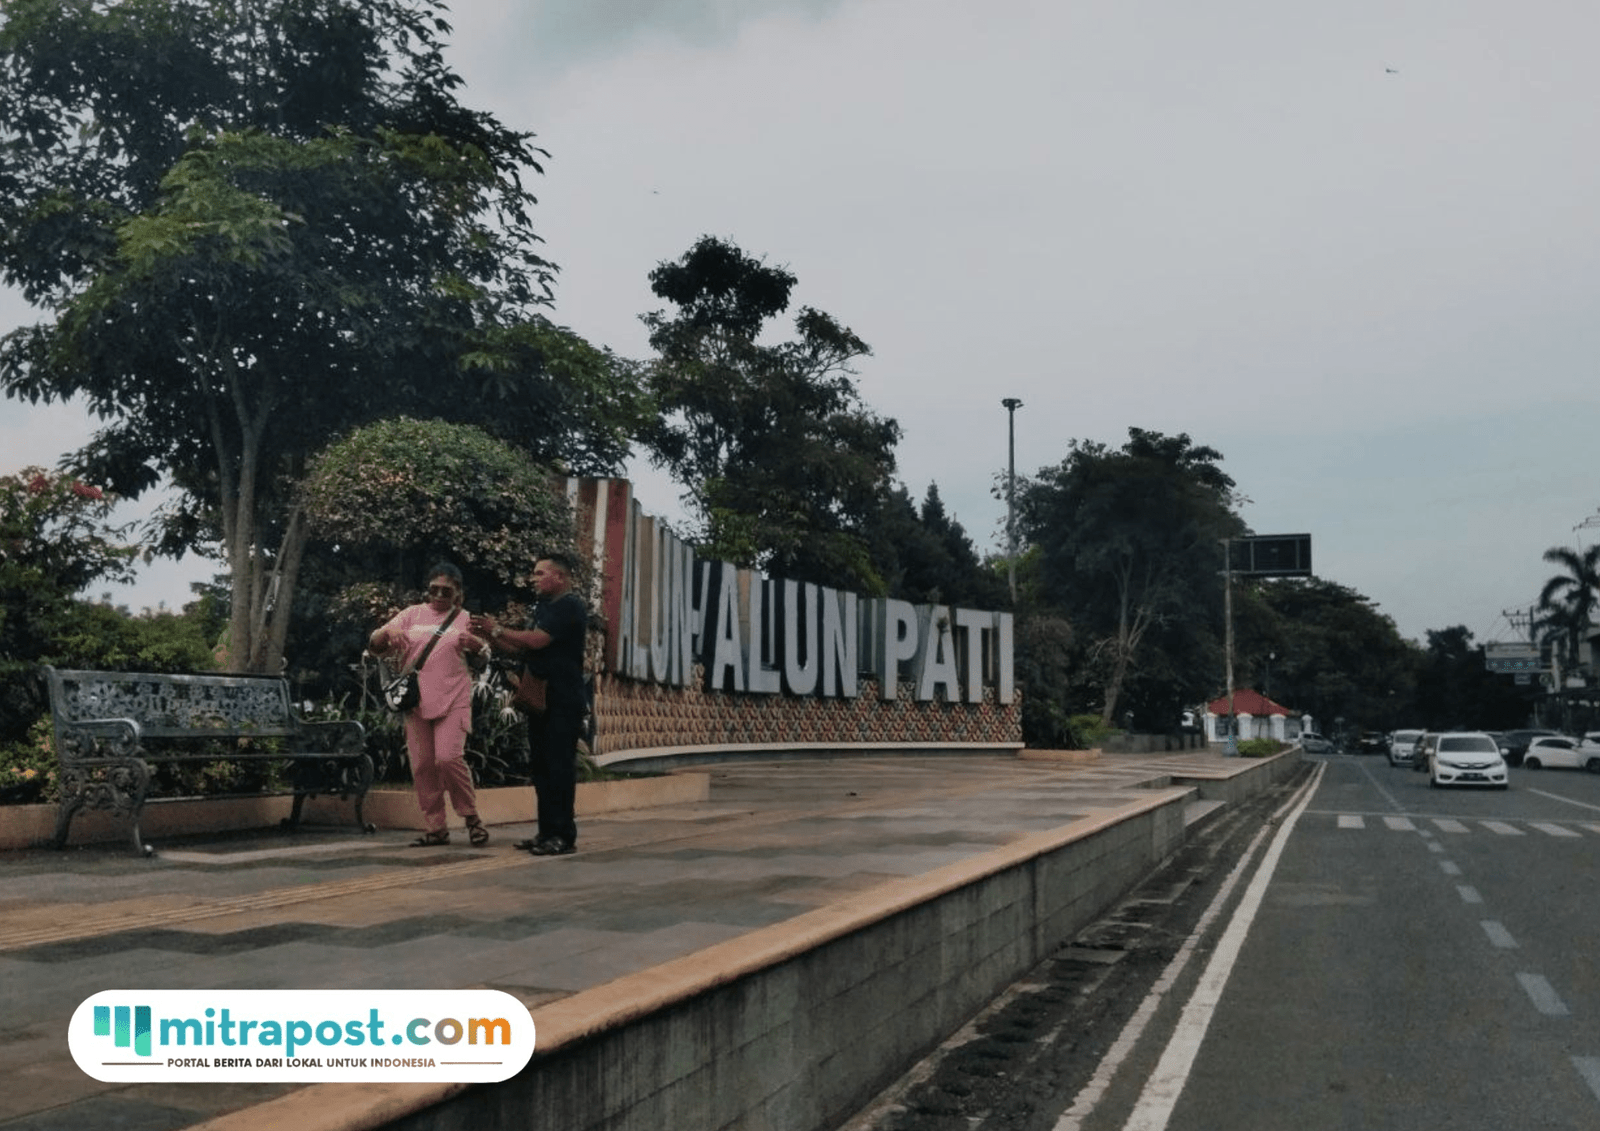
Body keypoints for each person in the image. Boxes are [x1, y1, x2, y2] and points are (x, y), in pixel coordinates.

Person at [471, 552, 587, 856]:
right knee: (542, 768)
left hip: (563, 698)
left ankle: (563, 835)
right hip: (540, 699)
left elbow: (537, 641)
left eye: (540, 573)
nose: (533, 579)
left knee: (559, 768)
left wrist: (497, 629)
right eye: (533, 574)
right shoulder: (543, 608)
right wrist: (491, 637)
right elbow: (521, 648)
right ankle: (546, 832)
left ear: (559, 577)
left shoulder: (570, 605)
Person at [369, 563, 491, 848]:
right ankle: (436, 828)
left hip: (454, 699)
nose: (438, 595)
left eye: (446, 591)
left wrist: (476, 646)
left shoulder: (465, 619)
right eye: (433, 589)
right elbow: (375, 644)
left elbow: (484, 656)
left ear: (458, 593)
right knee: (423, 765)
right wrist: (388, 633)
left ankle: (471, 818)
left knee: (448, 758)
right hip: (417, 701)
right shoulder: (411, 614)